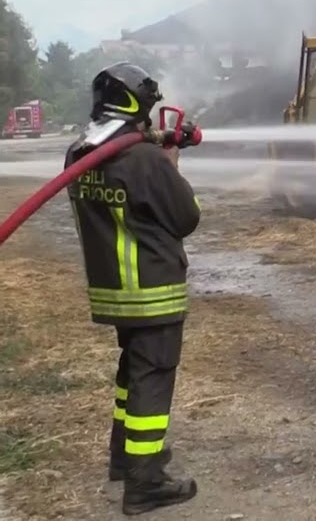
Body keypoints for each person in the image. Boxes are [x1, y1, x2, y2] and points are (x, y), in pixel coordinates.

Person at [64, 62, 200, 515]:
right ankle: (146, 484)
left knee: (133, 370)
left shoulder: (79, 153)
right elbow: (186, 217)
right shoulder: (144, 160)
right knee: (153, 374)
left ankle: (125, 459)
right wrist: (171, 164)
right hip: (152, 288)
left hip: (113, 288)